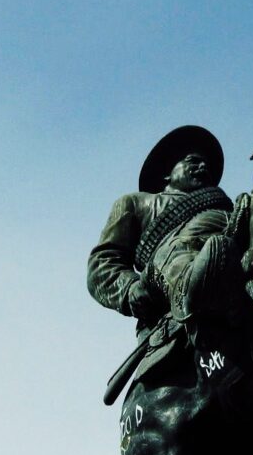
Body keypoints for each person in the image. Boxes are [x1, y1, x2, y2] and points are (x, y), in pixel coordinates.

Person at [87, 125, 237, 404]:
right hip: (168, 279)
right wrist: (130, 289)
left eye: (205, 163)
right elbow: (102, 263)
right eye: (193, 161)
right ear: (168, 172)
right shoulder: (136, 203)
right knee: (176, 252)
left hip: (229, 266)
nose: (202, 166)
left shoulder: (228, 209)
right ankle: (196, 309)